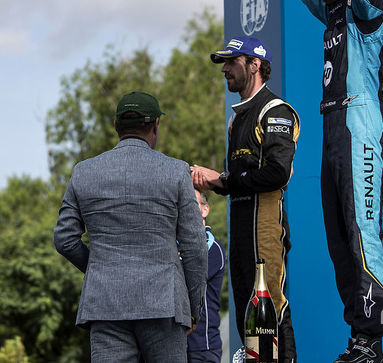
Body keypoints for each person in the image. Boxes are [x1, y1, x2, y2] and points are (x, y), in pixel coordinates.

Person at [259, 0, 383, 362]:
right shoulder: (330, 10)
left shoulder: (368, 9)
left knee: (360, 231)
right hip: (332, 126)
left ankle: (373, 338)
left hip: (360, 127)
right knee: (339, 240)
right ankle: (357, 338)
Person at [54, 91, 207, 363]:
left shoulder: (84, 172)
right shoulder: (176, 172)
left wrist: (101, 267)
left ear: (116, 126)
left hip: (105, 304)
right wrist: (193, 308)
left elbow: (64, 240)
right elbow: (195, 246)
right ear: (155, 126)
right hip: (165, 305)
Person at [191, 36, 300, 363]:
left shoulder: (276, 110)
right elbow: (238, 181)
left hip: (265, 228)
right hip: (240, 230)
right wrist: (220, 182)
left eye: (232, 61)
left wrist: (222, 179)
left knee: (270, 307)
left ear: (255, 65)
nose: (224, 69)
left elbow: (277, 173)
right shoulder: (236, 119)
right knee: (246, 316)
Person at [187, 190, 226, 363]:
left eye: (191, 203)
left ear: (205, 210)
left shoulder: (212, 247)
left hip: (202, 347)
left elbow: (186, 279)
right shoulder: (172, 245)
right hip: (172, 345)